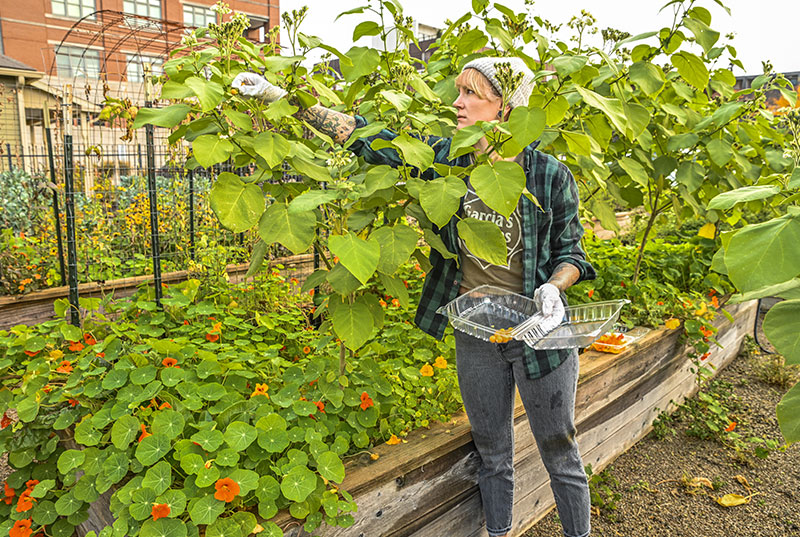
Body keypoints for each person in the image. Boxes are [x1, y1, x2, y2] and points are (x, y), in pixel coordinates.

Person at [233, 56, 595, 537]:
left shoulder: (548, 174)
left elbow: (572, 251)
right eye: (459, 90)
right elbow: (369, 139)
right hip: (476, 330)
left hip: (540, 333)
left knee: (559, 448)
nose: (457, 101)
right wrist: (282, 99)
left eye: (471, 93)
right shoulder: (444, 157)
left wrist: (555, 285)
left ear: (506, 108)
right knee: (492, 451)